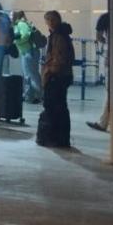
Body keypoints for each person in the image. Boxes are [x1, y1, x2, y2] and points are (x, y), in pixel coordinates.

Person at [37, 10, 75, 148]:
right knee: (61, 107)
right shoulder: (63, 35)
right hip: (63, 76)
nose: (48, 23)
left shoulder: (57, 36)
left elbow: (58, 58)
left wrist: (49, 72)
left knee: (53, 107)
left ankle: (53, 138)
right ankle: (61, 138)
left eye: (49, 20)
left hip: (56, 77)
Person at [12, 10, 43, 105]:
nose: (10, 17)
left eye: (11, 15)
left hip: (29, 52)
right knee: (31, 74)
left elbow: (25, 35)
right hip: (28, 51)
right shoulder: (21, 23)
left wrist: (16, 42)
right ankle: (31, 95)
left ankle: (40, 95)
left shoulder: (21, 24)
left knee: (30, 75)